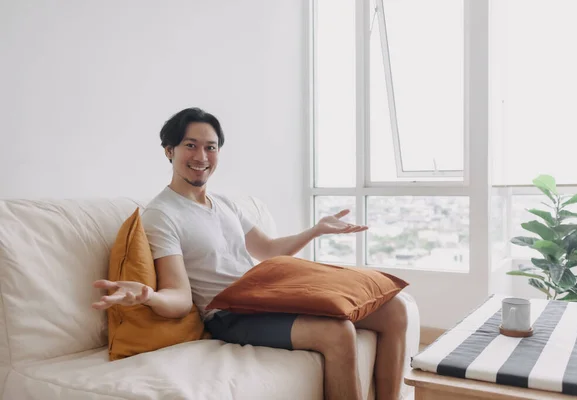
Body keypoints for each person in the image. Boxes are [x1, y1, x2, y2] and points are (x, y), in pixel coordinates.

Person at [92, 107, 407, 400]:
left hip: (265, 296)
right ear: (169, 150)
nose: (201, 155)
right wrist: (147, 295)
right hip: (230, 315)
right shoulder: (162, 215)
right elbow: (179, 298)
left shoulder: (224, 205)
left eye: (211, 147)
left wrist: (315, 230)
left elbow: (268, 250)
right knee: (338, 333)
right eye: (191, 145)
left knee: (395, 310)